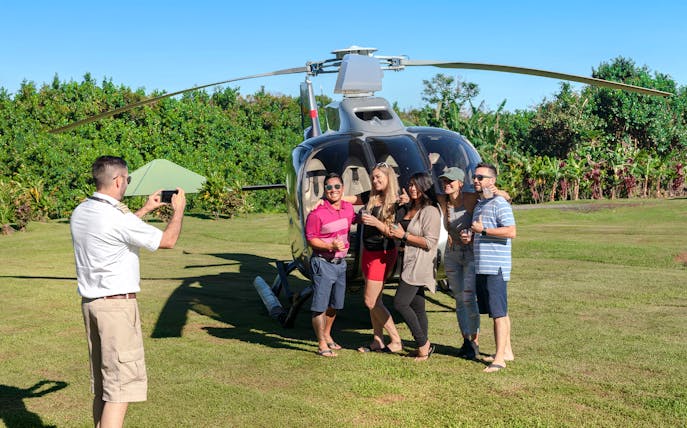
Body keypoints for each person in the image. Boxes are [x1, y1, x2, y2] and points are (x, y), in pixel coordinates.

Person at [70, 156, 186, 427]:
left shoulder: (82, 211)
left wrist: (145, 210)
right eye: (127, 179)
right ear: (118, 181)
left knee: (104, 388)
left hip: (92, 305)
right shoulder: (117, 218)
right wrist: (178, 210)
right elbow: (167, 241)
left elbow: (115, 232)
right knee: (120, 389)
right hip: (117, 309)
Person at [388, 172, 441, 361]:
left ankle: (422, 343)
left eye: (416, 185)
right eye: (410, 184)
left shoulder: (431, 211)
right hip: (407, 260)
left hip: (420, 263)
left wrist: (403, 236)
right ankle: (422, 349)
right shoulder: (411, 206)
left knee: (400, 303)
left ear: (425, 187)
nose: (412, 188)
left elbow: (429, 242)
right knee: (417, 306)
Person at [470, 162, 516, 373]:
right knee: (498, 312)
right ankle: (506, 351)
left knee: (498, 313)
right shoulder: (480, 204)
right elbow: (480, 231)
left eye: (480, 177)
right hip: (482, 266)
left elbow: (511, 231)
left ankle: (499, 359)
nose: (476, 180)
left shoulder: (500, 203)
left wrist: (484, 230)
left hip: (495, 266)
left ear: (492, 181)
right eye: (475, 177)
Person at [355, 163, 405, 353]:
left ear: (388, 178)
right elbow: (350, 198)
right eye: (373, 177)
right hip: (368, 251)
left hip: (382, 254)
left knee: (370, 301)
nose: (375, 181)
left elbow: (393, 233)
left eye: (379, 178)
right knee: (376, 300)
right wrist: (326, 198)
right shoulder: (371, 196)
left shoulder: (396, 202)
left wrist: (375, 222)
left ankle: (396, 340)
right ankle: (377, 340)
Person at [304, 172, 356, 357]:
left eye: (336, 187)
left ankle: (327, 335)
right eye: (329, 187)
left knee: (335, 304)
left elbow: (364, 202)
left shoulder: (348, 209)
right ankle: (321, 344)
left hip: (340, 264)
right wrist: (330, 245)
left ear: (342, 189)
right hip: (323, 263)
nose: (333, 190)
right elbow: (311, 240)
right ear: (324, 190)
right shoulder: (316, 214)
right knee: (320, 306)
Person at [438, 167, 480, 360]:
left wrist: (472, 234)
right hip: (452, 254)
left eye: (451, 182)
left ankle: (475, 341)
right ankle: (466, 341)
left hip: (470, 253)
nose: (447, 184)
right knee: (458, 299)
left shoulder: (470, 199)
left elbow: (499, 195)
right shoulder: (443, 201)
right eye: (445, 181)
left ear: (460, 184)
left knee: (469, 298)